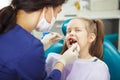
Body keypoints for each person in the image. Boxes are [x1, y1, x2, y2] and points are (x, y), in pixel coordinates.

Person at [0, 0, 80, 80]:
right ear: (47, 8)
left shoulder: (6, 28)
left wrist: (42, 45)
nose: (55, 16)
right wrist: (61, 62)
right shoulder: (31, 48)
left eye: (78, 30)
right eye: (57, 12)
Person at [46, 18, 110, 80]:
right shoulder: (53, 59)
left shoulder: (99, 68)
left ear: (91, 37)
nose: (71, 33)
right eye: (68, 31)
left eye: (77, 30)